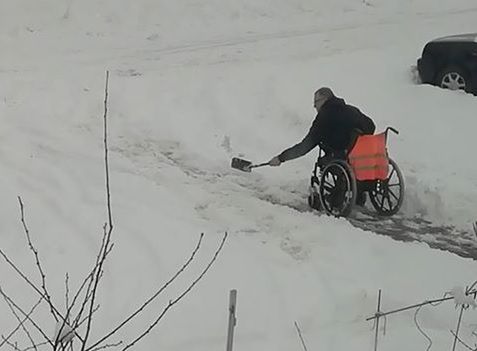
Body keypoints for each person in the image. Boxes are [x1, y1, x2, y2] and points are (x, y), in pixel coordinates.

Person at [269, 87, 376, 205]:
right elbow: (371, 126)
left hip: (342, 157)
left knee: (326, 160)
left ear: (325, 99)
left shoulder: (324, 117)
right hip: (363, 157)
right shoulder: (351, 110)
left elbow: (306, 146)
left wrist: (281, 158)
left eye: (316, 102)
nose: (314, 106)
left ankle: (338, 195)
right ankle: (358, 192)